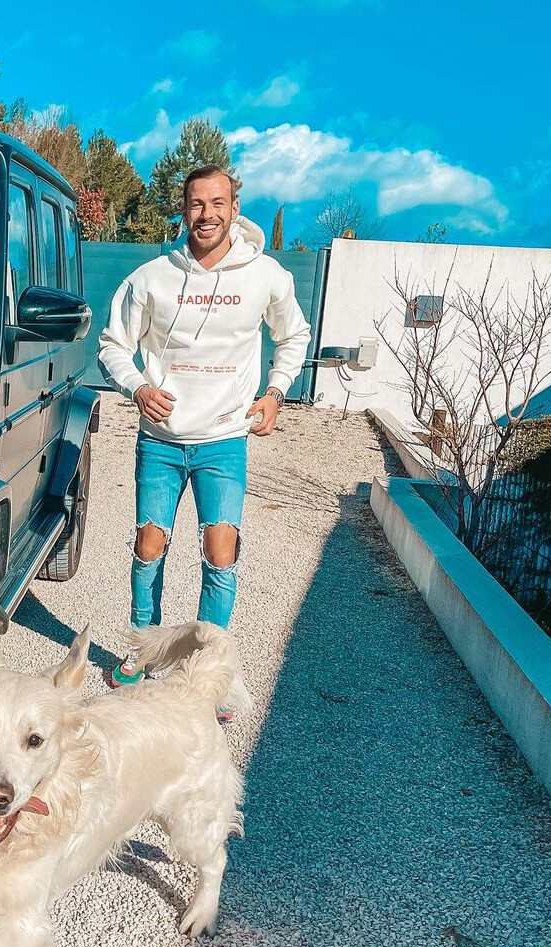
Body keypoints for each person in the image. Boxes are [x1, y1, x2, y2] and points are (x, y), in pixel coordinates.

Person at [97, 165, 311, 708]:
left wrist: (276, 392)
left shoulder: (266, 276)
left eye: (218, 203)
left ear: (234, 208)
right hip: (161, 440)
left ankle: (208, 666)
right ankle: (143, 648)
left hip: (224, 441)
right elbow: (112, 344)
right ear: (184, 209)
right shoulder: (151, 278)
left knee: (221, 552)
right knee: (150, 545)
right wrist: (138, 388)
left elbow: (294, 336)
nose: (207, 214)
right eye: (196, 204)